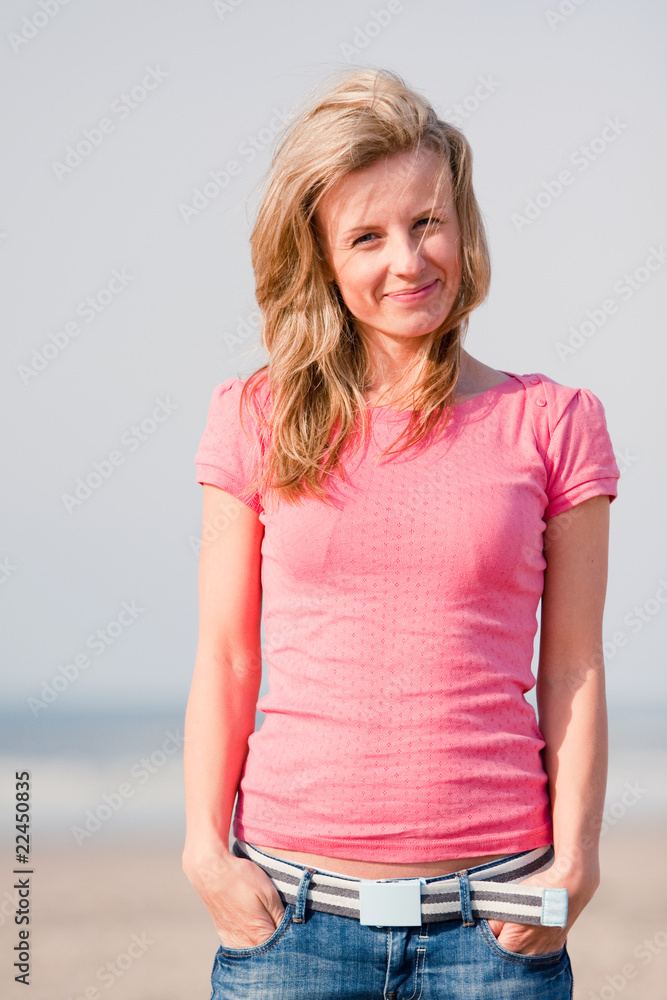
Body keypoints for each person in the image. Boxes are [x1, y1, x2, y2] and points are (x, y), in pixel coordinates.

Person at [182, 67, 620, 999]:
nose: (408, 261)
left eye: (426, 222)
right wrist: (204, 855)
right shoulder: (254, 417)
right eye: (366, 237)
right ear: (322, 259)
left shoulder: (554, 423)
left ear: (462, 223)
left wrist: (574, 866)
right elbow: (225, 654)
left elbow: (573, 666)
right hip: (289, 926)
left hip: (495, 930)